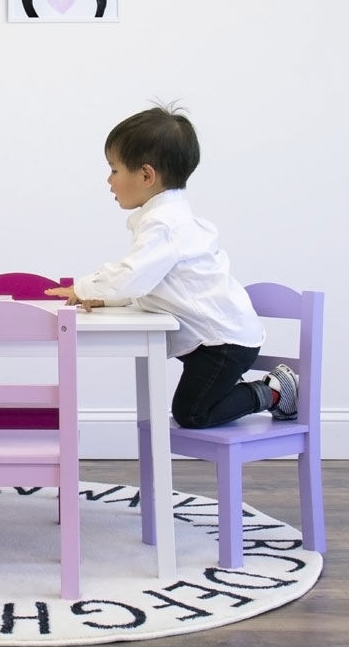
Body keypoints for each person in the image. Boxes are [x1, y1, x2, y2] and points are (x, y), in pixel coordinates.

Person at [45, 104, 298, 429]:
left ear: (147, 175)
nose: (109, 180)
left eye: (114, 170)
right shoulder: (166, 219)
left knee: (192, 414)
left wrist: (84, 288)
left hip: (223, 343)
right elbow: (147, 279)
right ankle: (261, 392)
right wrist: (106, 298)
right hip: (214, 338)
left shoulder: (164, 225)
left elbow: (131, 276)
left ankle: (273, 391)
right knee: (193, 406)